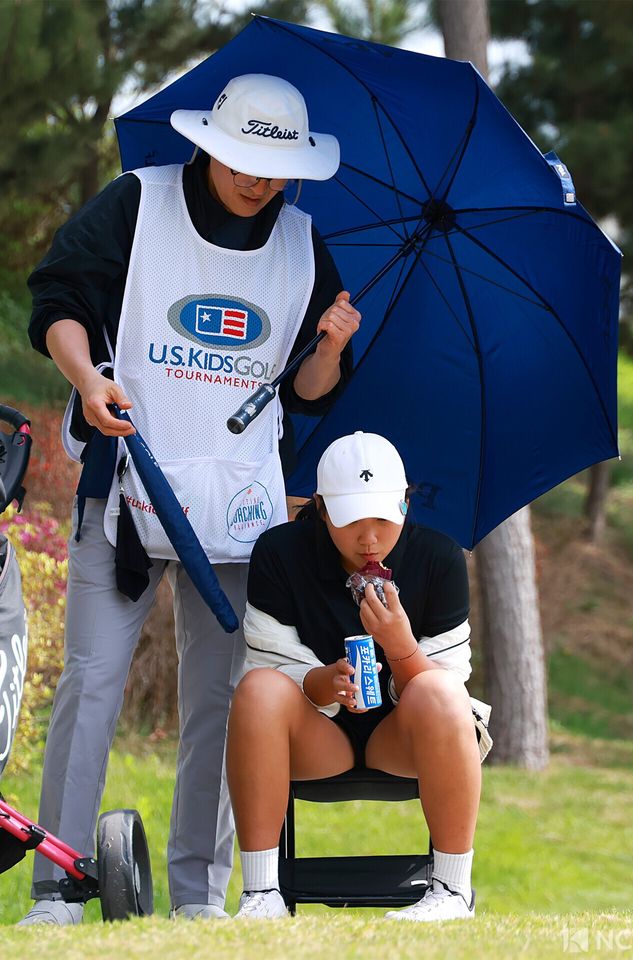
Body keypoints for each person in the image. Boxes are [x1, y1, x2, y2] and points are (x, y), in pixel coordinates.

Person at [20, 74, 360, 925]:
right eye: (245, 160)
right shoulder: (138, 204)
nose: (260, 182)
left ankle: (200, 896)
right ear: (210, 144)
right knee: (91, 685)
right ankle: (60, 887)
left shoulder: (303, 246)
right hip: (128, 490)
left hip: (239, 517)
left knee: (223, 704)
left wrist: (328, 344)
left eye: (277, 169)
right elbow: (58, 301)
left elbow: (311, 393)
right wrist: (87, 379)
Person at [227, 431, 492, 921]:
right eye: (351, 521)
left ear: (405, 505)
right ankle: (262, 893)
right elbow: (269, 663)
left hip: (406, 737)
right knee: (257, 691)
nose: (369, 537)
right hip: (317, 733)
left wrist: (401, 647)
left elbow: (450, 684)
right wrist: (324, 683)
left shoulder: (438, 558)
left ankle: (452, 892)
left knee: (438, 690)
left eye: (382, 519)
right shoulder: (281, 552)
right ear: (322, 509)